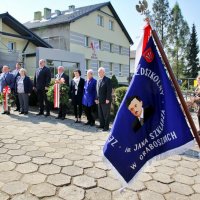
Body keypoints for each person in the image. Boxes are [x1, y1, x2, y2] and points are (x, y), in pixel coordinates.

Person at [95, 67, 112, 131]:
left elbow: (109, 90)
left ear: (103, 72)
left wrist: (107, 99)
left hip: (105, 100)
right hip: (99, 100)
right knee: (100, 114)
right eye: (98, 72)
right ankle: (101, 125)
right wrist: (96, 98)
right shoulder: (98, 80)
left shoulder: (107, 80)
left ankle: (106, 127)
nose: (99, 73)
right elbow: (97, 91)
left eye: (100, 72)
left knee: (106, 114)